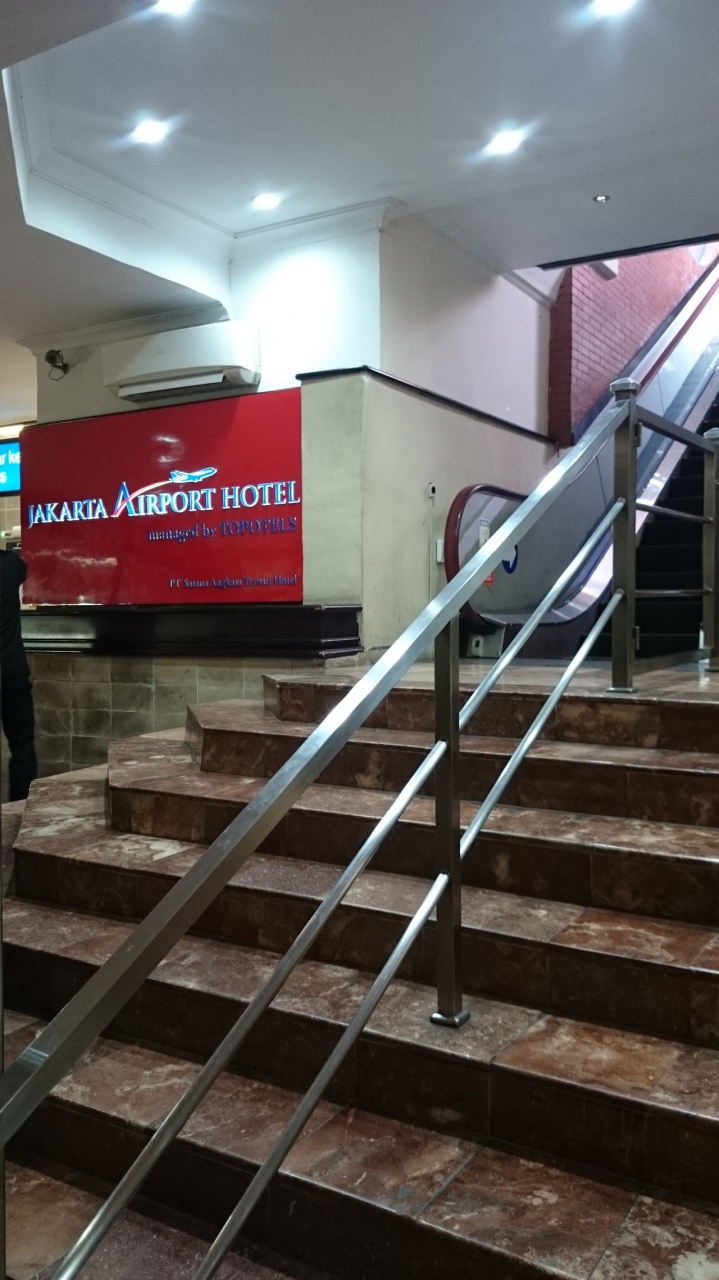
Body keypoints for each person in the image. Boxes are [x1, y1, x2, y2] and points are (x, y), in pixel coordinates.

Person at [0, 548, 37, 800]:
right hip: (12, 672)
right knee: (22, 746)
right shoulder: (10, 564)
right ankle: (21, 810)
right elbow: (25, 569)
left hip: (12, 671)